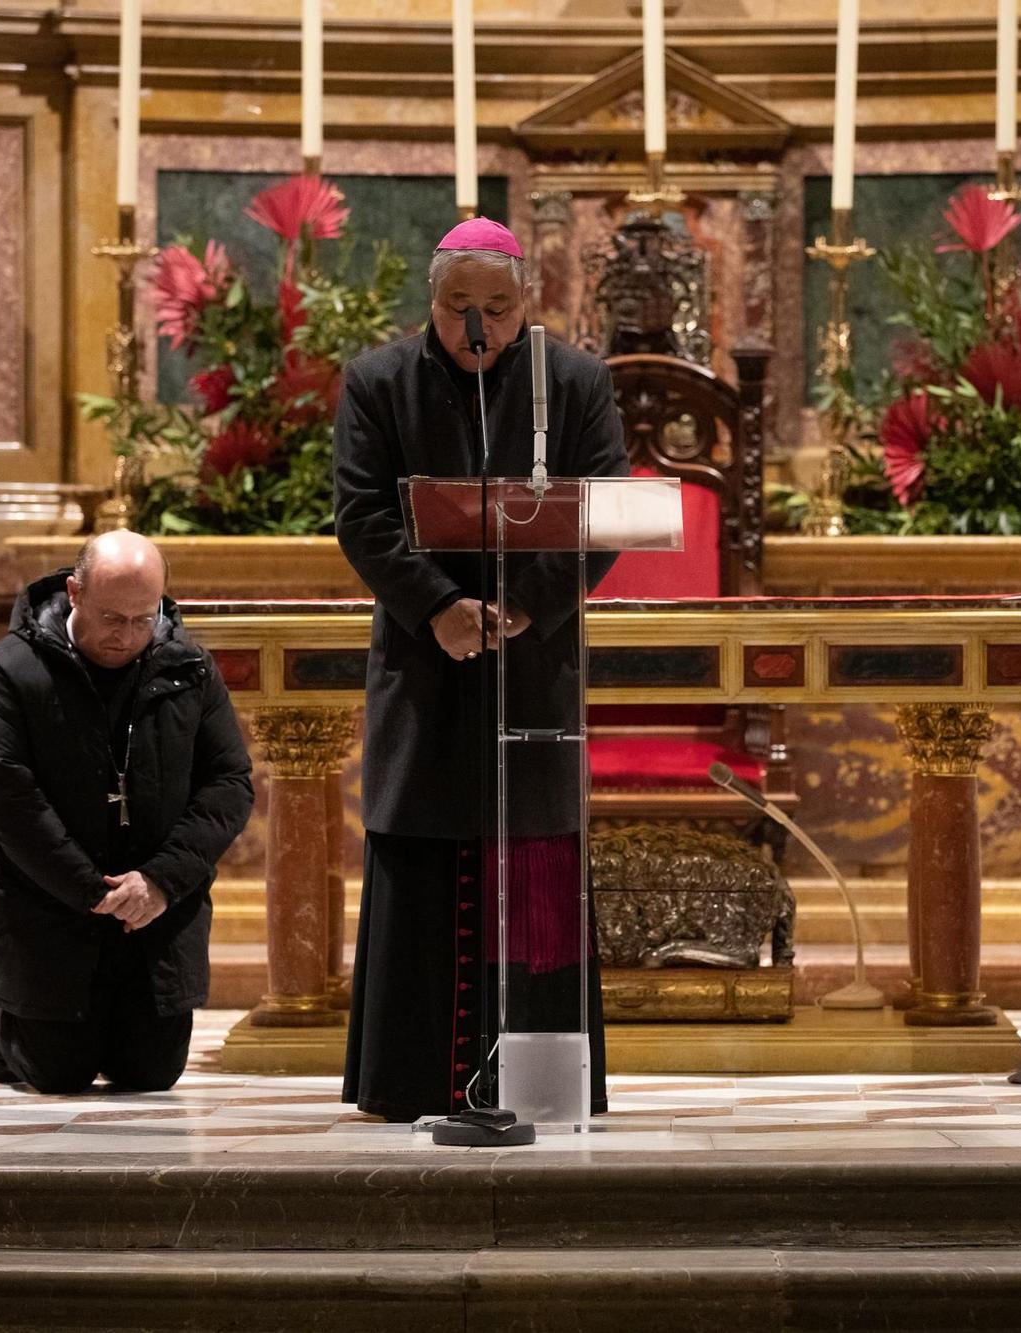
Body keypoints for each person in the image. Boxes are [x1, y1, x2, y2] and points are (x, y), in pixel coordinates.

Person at [334, 217, 629, 1122]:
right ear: (433, 299)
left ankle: (537, 1083)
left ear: (524, 302)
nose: (479, 328)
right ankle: (410, 1077)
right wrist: (439, 608)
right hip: (426, 669)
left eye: (497, 309)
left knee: (532, 864)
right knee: (423, 859)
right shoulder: (379, 382)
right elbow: (361, 514)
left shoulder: (574, 382)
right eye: (460, 306)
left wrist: (527, 605)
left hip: (532, 669)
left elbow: (604, 509)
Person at [0, 530, 252, 1094]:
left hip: (155, 907)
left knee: (151, 1073)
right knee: (56, 1072)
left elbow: (228, 784)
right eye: (113, 618)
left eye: (145, 618)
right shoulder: (5, 669)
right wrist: (87, 888)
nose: (129, 636)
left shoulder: (190, 669)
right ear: (74, 592)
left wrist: (161, 882)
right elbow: (0, 791)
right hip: (48, 901)